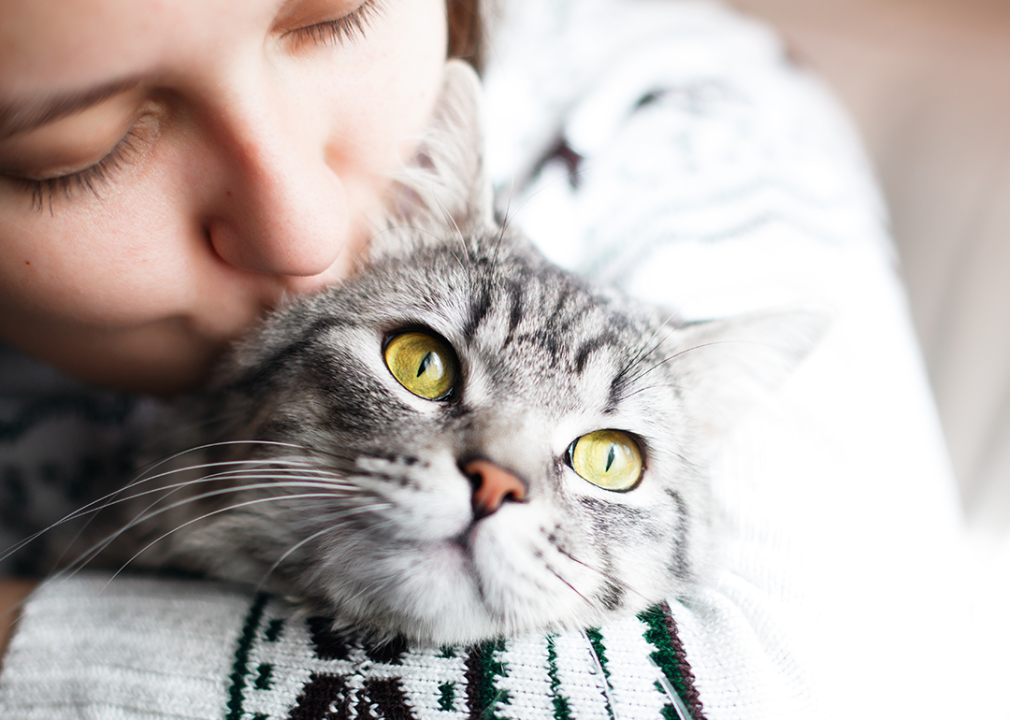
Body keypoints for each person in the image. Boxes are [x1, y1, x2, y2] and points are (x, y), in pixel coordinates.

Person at [0, 0, 1005, 717]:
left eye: (331, 17)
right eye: (78, 147)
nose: (499, 480)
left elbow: (838, 687)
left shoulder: (674, 113)